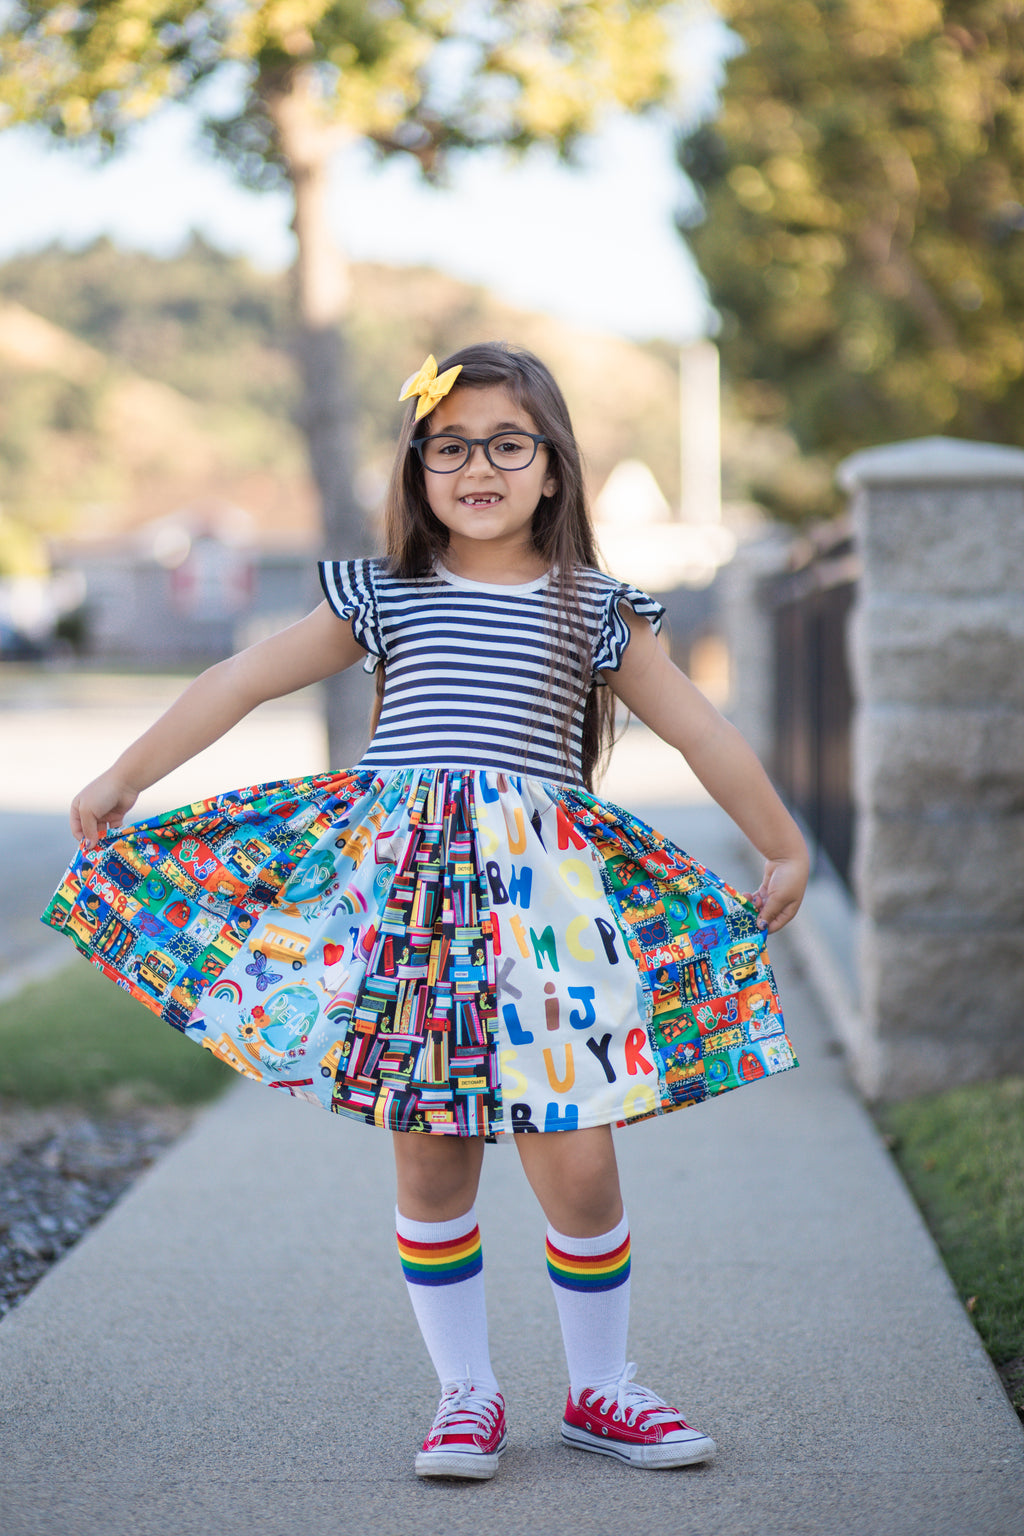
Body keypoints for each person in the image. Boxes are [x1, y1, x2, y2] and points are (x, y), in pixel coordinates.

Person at [44, 341, 808, 1482]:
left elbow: (702, 730)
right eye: (448, 447)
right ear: (416, 471)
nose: (478, 466)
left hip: (547, 915)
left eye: (508, 444)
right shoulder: (385, 595)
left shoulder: (593, 607)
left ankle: (602, 1388)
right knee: (433, 1159)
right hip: (406, 919)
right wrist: (125, 774)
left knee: (577, 1159)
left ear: (553, 469)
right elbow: (242, 679)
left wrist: (781, 841)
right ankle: (466, 1396)